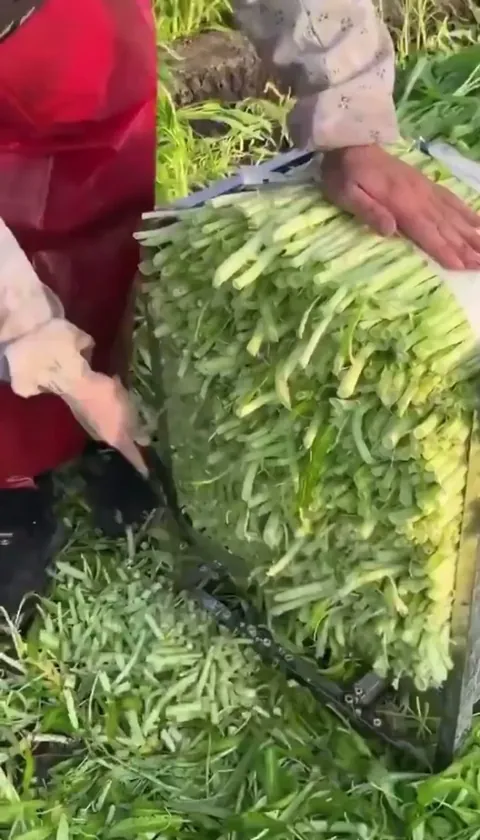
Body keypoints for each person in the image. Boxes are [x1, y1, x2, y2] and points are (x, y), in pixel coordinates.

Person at [0, 0, 479, 620]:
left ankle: (115, 414)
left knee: (99, 206)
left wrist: (351, 122)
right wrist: (50, 356)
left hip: (78, 58)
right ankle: (12, 475)